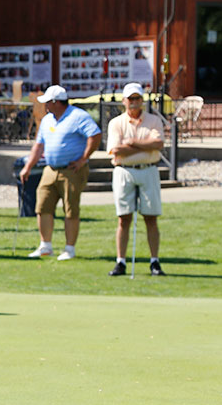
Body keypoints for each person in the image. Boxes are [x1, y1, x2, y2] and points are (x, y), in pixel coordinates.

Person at [18, 85, 101, 260]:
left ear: (56, 102)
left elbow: (95, 135)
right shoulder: (48, 120)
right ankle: (45, 246)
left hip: (72, 170)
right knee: (42, 207)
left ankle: (69, 248)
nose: (45, 105)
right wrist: (28, 167)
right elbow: (39, 145)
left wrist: (83, 159)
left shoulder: (78, 116)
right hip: (50, 169)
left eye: (47, 102)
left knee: (70, 210)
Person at [106, 82, 166, 276]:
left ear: (142, 100)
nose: (134, 102)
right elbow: (116, 150)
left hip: (148, 169)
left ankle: (154, 261)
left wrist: (131, 143)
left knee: (151, 217)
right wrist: (144, 145)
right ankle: (120, 261)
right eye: (130, 99)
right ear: (124, 101)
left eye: (137, 99)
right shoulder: (116, 123)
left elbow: (158, 144)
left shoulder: (154, 120)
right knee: (124, 218)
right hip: (124, 170)